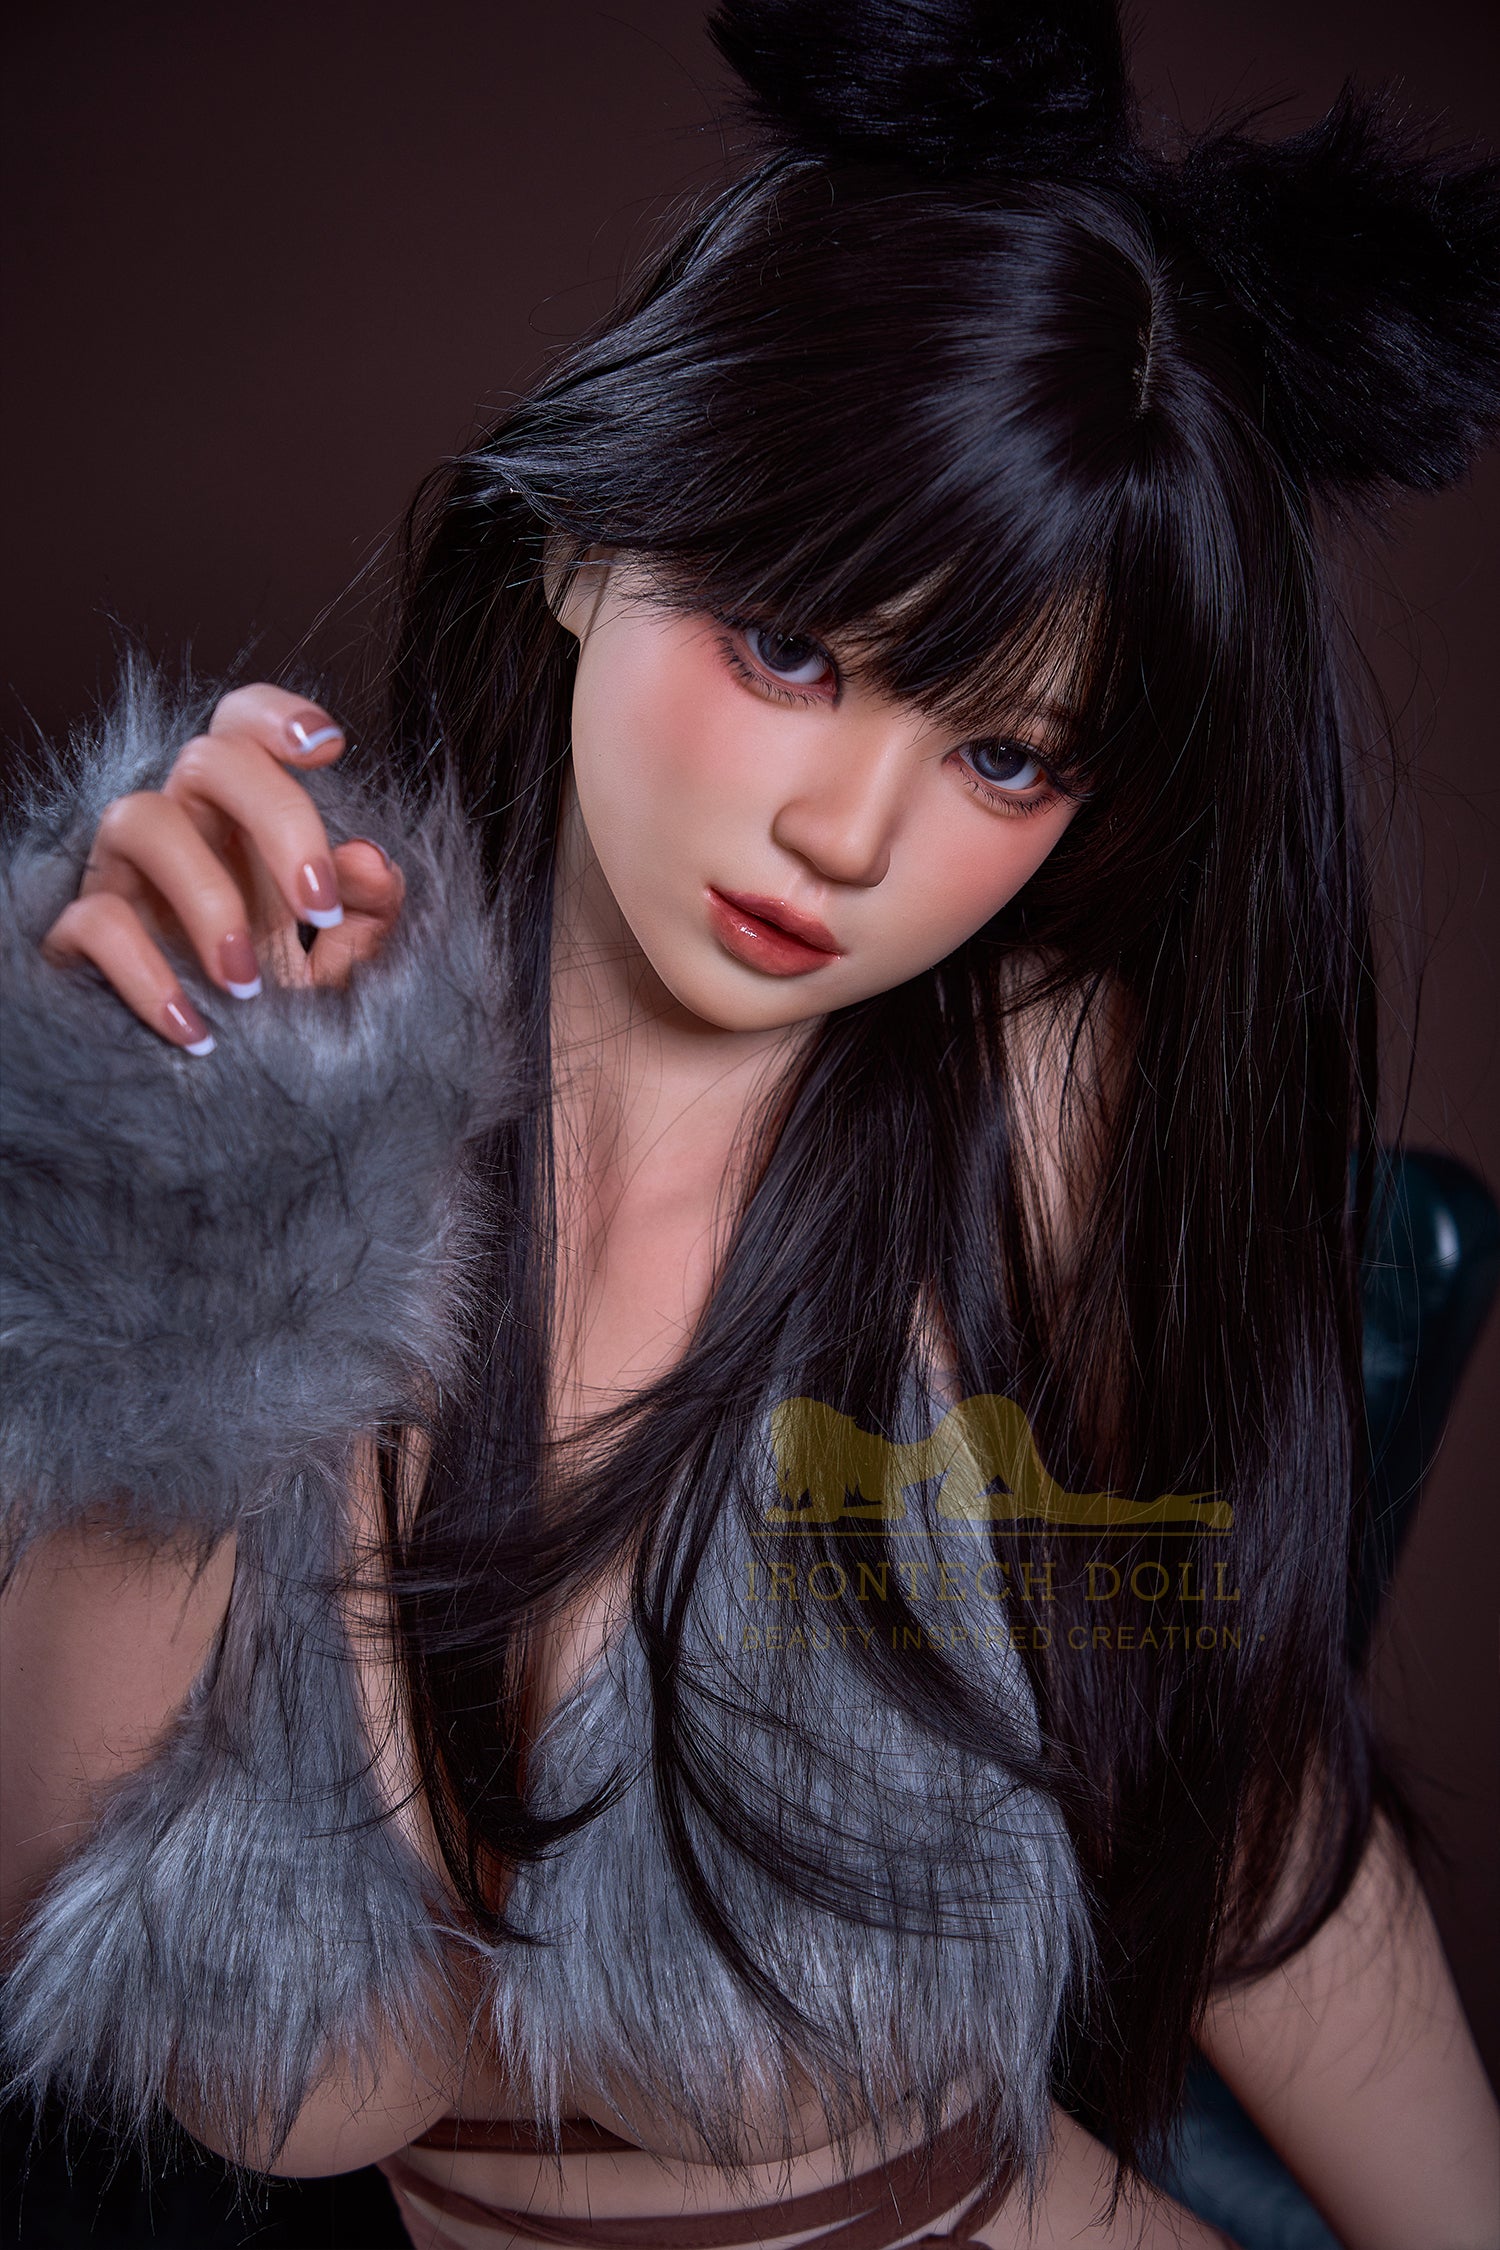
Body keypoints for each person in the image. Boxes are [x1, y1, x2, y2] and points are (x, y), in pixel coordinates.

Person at [2, 1, 1498, 2244]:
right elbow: (206, 2026)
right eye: (795, 643)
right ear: (581, 542)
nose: (850, 832)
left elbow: (1242, 1799)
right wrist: (202, 1165)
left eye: (1005, 753)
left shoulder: (1026, 1120)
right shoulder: (302, 1100)